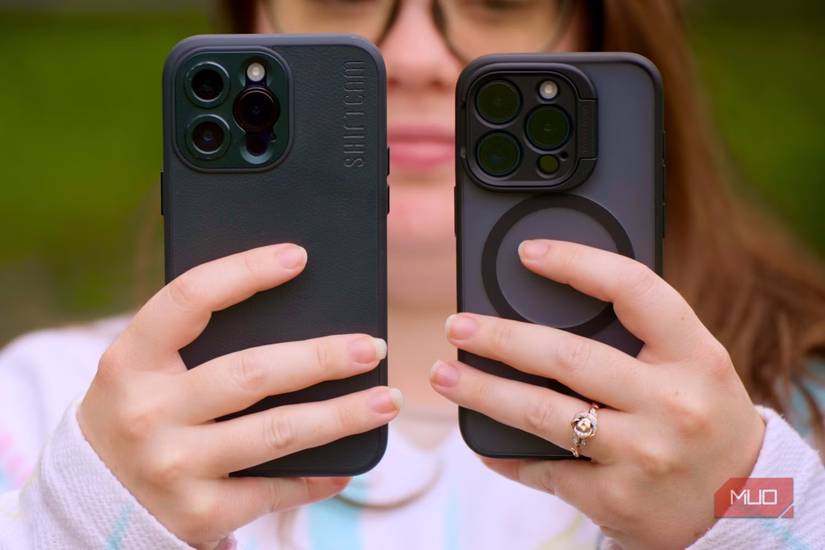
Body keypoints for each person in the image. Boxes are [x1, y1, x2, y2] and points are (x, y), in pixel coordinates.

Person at [1, 1, 824, 548]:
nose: (417, 54)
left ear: (606, 40)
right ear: (249, 24)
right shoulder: (46, 411)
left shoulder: (796, 414)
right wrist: (85, 520)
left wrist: (746, 507)